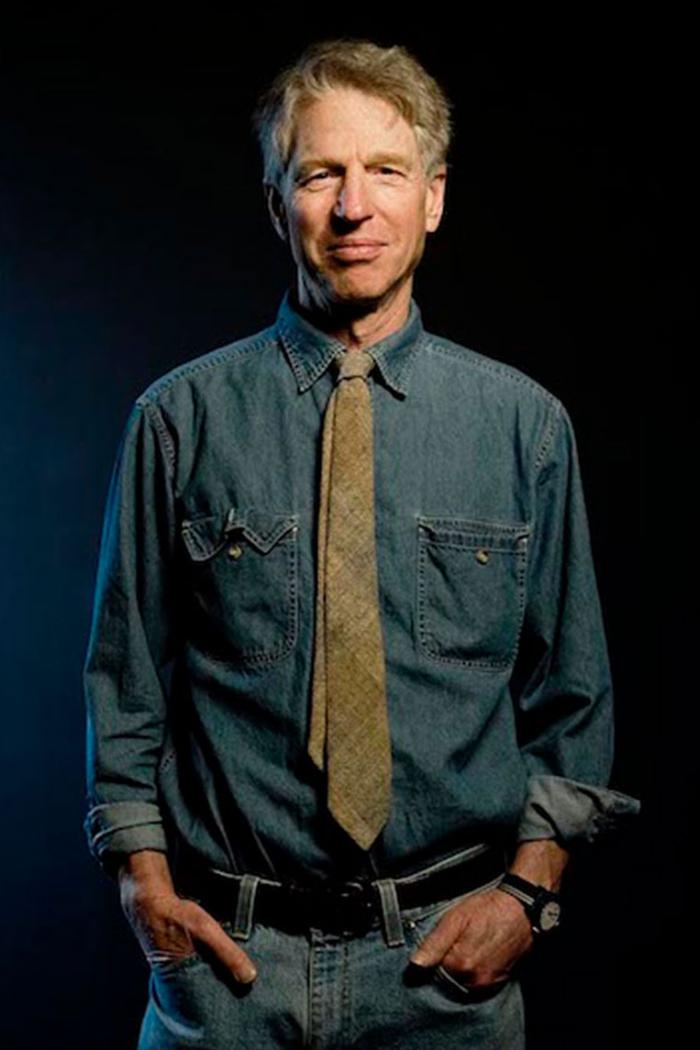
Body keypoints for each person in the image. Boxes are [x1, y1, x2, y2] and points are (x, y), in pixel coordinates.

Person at [83, 38, 640, 1050]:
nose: (352, 208)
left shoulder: (525, 429)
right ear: (274, 201)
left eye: (385, 171)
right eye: (319, 174)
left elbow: (574, 695)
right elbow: (124, 684)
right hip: (225, 976)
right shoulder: (179, 419)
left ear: (431, 198)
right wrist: (142, 882)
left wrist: (527, 896)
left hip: (447, 981)